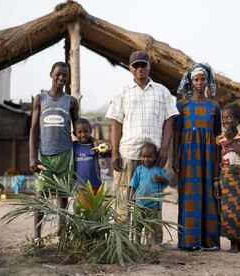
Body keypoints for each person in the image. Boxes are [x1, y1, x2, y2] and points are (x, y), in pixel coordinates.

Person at [105, 50, 179, 235]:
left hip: (153, 158)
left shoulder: (162, 92)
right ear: (130, 68)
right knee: (125, 199)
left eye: (142, 65)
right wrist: (114, 152)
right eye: (135, 65)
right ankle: (122, 241)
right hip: (128, 153)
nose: (139, 69)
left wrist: (164, 149)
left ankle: (152, 243)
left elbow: (170, 120)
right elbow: (116, 122)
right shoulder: (122, 92)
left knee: (151, 200)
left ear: (149, 66)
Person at [29, 61, 79, 245]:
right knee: (41, 196)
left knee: (63, 196)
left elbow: (78, 129)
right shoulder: (40, 99)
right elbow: (34, 130)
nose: (61, 78)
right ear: (51, 74)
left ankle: (60, 233)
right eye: (58, 74)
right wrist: (32, 157)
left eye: (65, 75)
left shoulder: (71, 102)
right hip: (45, 156)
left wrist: (91, 146)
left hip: (65, 154)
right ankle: (36, 236)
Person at [173, 63, 221, 250]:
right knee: (190, 195)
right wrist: (175, 157)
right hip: (188, 157)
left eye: (203, 79)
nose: (200, 82)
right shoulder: (182, 105)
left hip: (209, 158)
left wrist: (218, 160)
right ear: (190, 82)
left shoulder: (214, 107)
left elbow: (218, 136)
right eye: (196, 79)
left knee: (209, 195)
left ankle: (209, 241)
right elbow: (177, 134)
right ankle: (189, 241)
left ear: (208, 81)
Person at [216, 102, 240, 253]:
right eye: (224, 118)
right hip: (225, 177)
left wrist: (231, 141)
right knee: (228, 210)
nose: (226, 121)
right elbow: (217, 159)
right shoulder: (219, 139)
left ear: (237, 119)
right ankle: (233, 244)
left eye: (229, 117)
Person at [128, 142, 169, 247]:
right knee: (138, 224)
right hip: (140, 203)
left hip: (153, 204)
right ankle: (137, 243)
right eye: (143, 157)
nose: (146, 159)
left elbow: (167, 182)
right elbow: (134, 184)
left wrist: (160, 178)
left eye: (149, 157)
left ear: (155, 157)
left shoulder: (158, 170)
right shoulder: (139, 169)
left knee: (153, 225)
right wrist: (132, 196)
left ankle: (153, 244)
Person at [73, 118, 110, 194]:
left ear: (90, 131)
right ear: (74, 133)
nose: (83, 135)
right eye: (79, 132)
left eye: (86, 131)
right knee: (82, 205)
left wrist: (101, 149)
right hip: (80, 186)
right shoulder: (73, 146)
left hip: (95, 185)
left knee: (96, 206)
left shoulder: (95, 145)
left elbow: (106, 154)